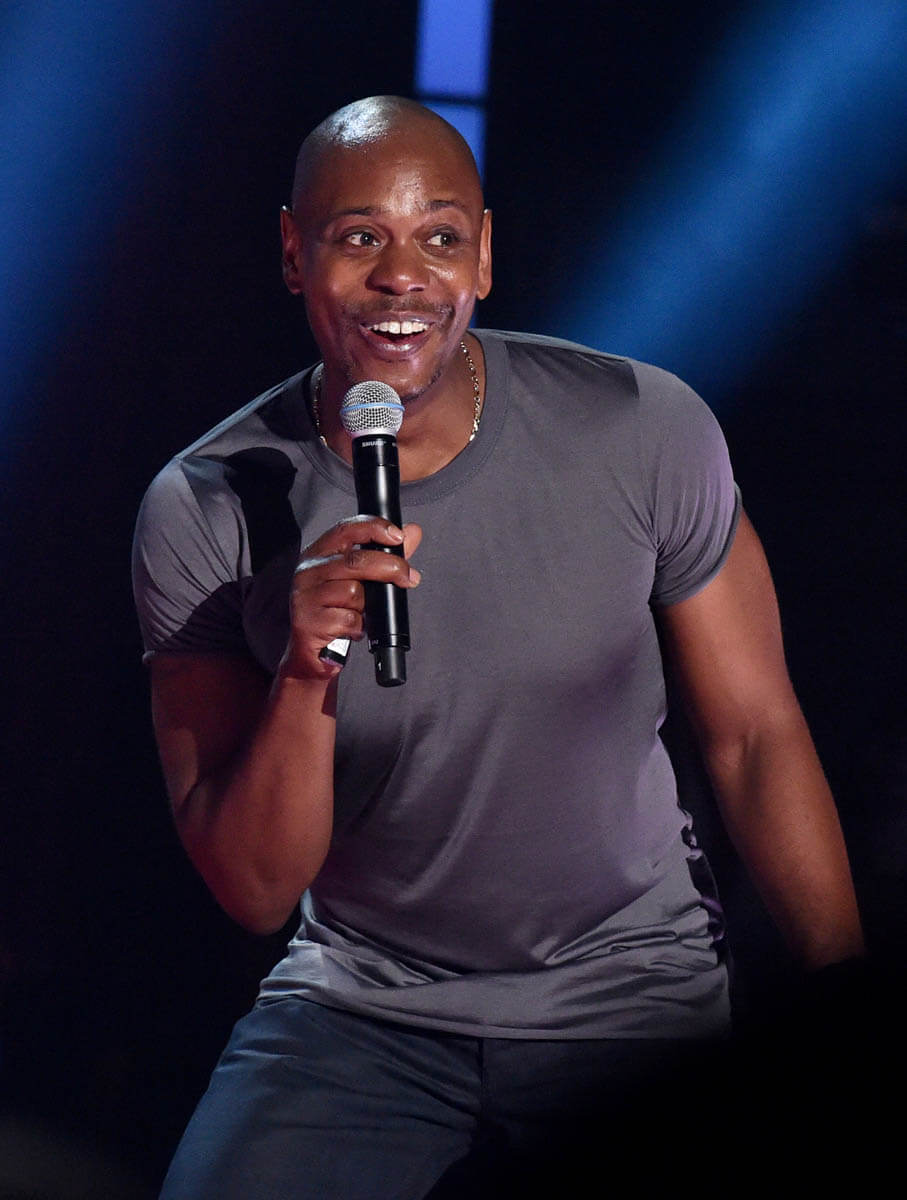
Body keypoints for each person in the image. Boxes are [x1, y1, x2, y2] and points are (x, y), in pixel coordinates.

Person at [133, 96, 865, 1197]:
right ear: (294, 254)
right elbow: (255, 889)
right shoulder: (207, 504)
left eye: (438, 236)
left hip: (630, 990)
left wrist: (844, 1015)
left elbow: (755, 736)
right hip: (362, 1004)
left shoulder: (640, 427)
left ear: (482, 253)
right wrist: (304, 669)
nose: (402, 276)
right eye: (359, 237)